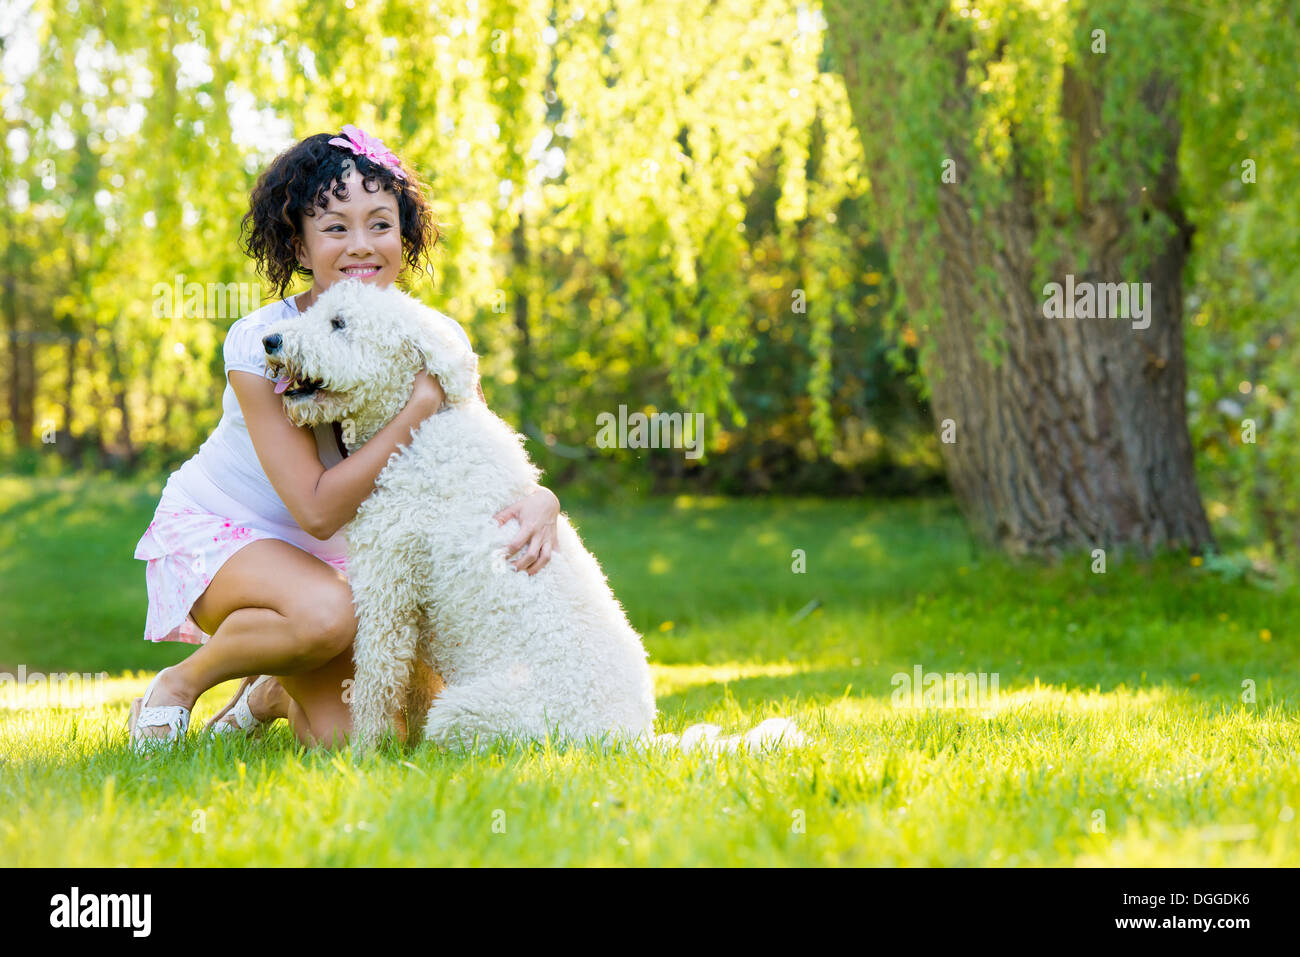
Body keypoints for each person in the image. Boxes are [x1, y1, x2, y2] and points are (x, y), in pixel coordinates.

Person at [128, 124, 561, 751]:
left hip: (346, 567)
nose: (362, 246)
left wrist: (541, 499)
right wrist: (417, 410)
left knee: (366, 738)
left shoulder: (435, 336)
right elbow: (318, 509)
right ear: (299, 246)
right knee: (327, 614)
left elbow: (480, 455)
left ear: (404, 236)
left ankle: (271, 690)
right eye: (335, 228)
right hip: (233, 535)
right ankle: (181, 683)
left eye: (380, 224)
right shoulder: (262, 342)